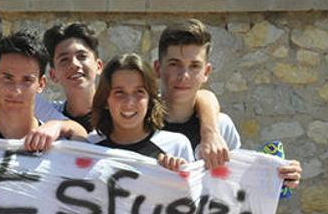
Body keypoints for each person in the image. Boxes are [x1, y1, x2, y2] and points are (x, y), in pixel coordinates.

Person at [44, 22, 229, 168]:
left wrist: (209, 133)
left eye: (82, 56)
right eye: (119, 93)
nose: (129, 102)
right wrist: (59, 125)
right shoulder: (62, 124)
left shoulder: (183, 138)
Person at [154, 18, 302, 188]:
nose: (184, 75)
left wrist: (279, 177)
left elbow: (237, 186)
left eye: (194, 66)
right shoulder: (136, 124)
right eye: (174, 64)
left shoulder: (221, 127)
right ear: (158, 68)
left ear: (206, 72)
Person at [0, 30, 84, 150]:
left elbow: (82, 136)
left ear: (41, 84)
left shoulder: (62, 149)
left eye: (27, 80)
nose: (16, 91)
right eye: (8, 78)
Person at [89, 53, 193, 171]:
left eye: (139, 92)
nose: (129, 103)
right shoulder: (88, 147)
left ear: (150, 99)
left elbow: (193, 188)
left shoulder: (176, 146)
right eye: (119, 92)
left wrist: (180, 174)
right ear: (105, 100)